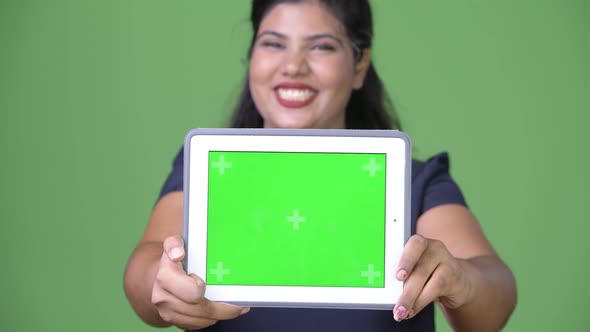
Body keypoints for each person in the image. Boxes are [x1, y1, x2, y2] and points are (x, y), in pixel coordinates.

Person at [123, 0, 517, 331]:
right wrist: (162, 283)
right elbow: (144, 266)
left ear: (359, 65)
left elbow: (492, 300)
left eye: (321, 47)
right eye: (273, 44)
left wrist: (460, 279)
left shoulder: (415, 182)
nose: (293, 66)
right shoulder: (210, 168)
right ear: (252, 58)